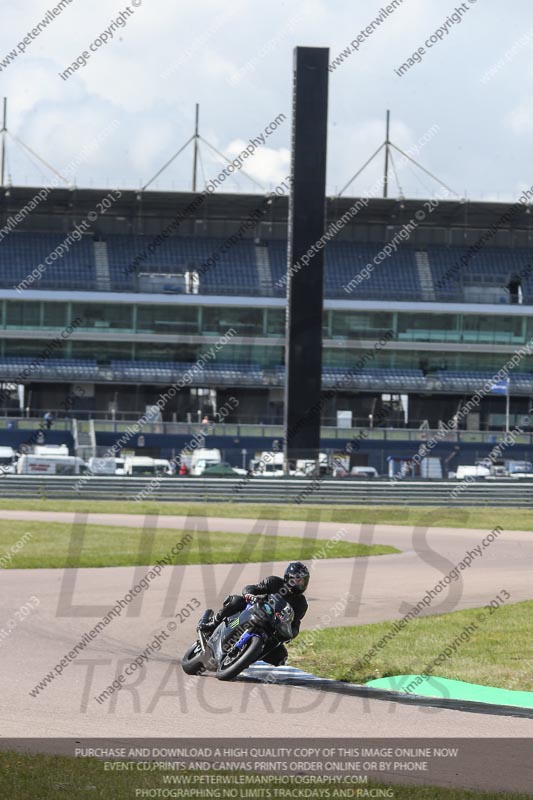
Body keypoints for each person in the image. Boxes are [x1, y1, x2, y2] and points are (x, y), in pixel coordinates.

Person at [198, 561, 310, 666]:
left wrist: (290, 633)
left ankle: (247, 659)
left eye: (302, 581)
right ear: (288, 577)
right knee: (236, 600)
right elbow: (252, 588)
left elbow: (295, 625)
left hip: (272, 627)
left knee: (281, 657)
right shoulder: (274, 582)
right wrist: (249, 595)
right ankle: (212, 624)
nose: (299, 583)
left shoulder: (301, 604)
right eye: (297, 580)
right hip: (255, 610)